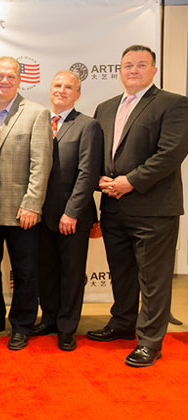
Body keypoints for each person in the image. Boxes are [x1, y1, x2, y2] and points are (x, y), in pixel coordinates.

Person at [88, 45, 188, 367]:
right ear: (119, 70)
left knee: (153, 279)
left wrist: (130, 181)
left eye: (141, 64)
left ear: (154, 70)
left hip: (153, 209)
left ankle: (150, 342)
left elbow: (170, 154)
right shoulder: (105, 107)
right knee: (121, 273)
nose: (133, 70)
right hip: (113, 206)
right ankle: (122, 323)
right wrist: (99, 179)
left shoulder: (173, 104)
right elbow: (98, 152)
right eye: (128, 65)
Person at [0, 56, 52, 351]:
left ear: (19, 80)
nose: (4, 81)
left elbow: (41, 164)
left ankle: (22, 325)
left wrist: (32, 204)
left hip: (21, 209)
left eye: (11, 76)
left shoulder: (36, 113)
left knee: (25, 271)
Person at [34, 71, 103, 351]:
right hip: (41, 216)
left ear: (78, 94)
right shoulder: (39, 121)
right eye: (57, 85)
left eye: (69, 87)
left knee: (71, 275)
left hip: (72, 216)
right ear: (50, 89)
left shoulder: (88, 126)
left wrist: (72, 212)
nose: (62, 90)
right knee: (47, 272)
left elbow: (88, 173)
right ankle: (49, 319)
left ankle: (66, 328)